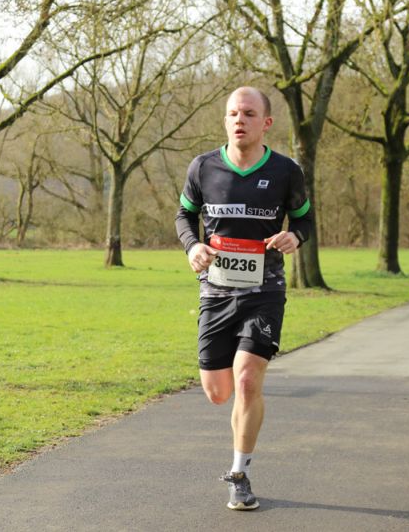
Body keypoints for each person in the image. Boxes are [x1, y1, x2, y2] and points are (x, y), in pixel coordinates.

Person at [175, 86, 313, 511]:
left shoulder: (287, 171)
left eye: (249, 113)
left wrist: (295, 235)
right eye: (233, 113)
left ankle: (239, 473)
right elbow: (184, 215)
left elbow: (304, 218)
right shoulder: (203, 168)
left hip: (264, 292)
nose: (240, 120)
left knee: (248, 379)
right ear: (225, 120)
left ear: (265, 123)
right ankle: (238, 405)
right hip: (215, 294)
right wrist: (192, 246)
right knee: (219, 392)